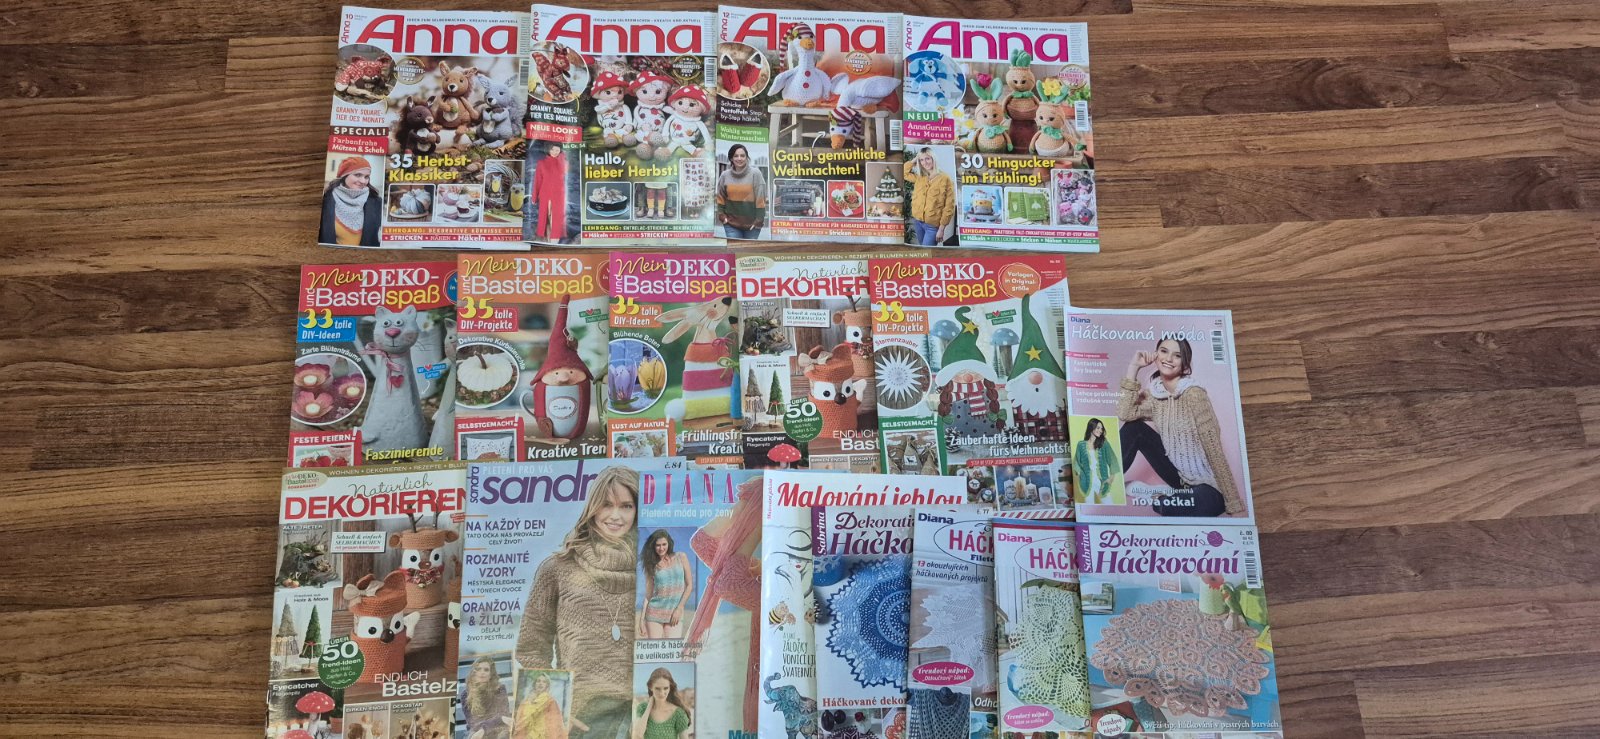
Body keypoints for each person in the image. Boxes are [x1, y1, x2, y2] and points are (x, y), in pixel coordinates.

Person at [516, 465, 641, 739]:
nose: (616, 515)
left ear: (638, 509)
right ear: (592, 508)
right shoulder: (557, 568)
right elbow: (531, 648)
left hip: (641, 710)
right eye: (606, 504)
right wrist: (555, 705)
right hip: (583, 714)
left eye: (626, 506)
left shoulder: (651, 568)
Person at [1117, 338, 1242, 517]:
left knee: (1170, 506)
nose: (1168, 358)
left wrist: (1233, 503)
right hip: (1177, 476)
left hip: (1206, 485)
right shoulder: (1155, 395)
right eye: (1164, 351)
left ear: (1185, 363)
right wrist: (1133, 368)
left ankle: (1162, 496)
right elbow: (1125, 413)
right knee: (1134, 428)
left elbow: (1214, 449)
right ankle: (1106, 482)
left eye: (1177, 355)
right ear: (1156, 355)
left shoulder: (1194, 395)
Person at [640, 530, 694, 639]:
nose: (661, 548)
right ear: (653, 546)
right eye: (658, 545)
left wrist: (679, 608)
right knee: (656, 648)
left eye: (664, 544)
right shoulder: (651, 566)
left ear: (669, 544)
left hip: (675, 614)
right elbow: (648, 595)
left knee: (673, 647)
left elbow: (689, 585)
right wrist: (641, 620)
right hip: (654, 614)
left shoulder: (681, 557)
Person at [318, 156, 382, 246]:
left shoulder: (376, 202)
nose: (363, 181)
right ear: (344, 175)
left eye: (366, 177)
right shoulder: (326, 200)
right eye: (358, 175)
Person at [906, 147, 954, 246]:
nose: (925, 163)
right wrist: (914, 160)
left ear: (933, 159)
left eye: (927, 158)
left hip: (932, 226)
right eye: (921, 160)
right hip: (918, 222)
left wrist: (941, 229)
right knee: (922, 250)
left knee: (927, 251)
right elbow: (903, 173)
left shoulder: (945, 179)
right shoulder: (920, 177)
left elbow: (949, 206)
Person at [717, 144, 767, 239]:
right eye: (736, 156)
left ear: (747, 157)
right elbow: (720, 197)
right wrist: (722, 216)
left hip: (752, 226)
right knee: (734, 248)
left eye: (742, 156)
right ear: (731, 158)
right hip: (731, 224)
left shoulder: (755, 173)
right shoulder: (725, 175)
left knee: (749, 249)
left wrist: (759, 220)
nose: (739, 158)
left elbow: (761, 198)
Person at [631, 668, 692, 739]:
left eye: (666, 688)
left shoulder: (678, 714)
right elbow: (637, 735)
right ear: (651, 687)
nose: (662, 693)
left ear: (670, 688)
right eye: (657, 688)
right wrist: (650, 705)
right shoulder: (642, 708)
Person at [461, 656, 513, 739]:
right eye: (478, 669)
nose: (482, 672)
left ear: (491, 674)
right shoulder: (465, 694)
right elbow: (473, 723)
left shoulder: (500, 689)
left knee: (504, 735)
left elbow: (503, 714)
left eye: (486, 670)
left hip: (498, 727)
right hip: (477, 728)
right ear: (474, 672)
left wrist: (484, 729)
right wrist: (484, 728)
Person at [514, 672, 570, 739]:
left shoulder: (550, 701)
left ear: (547, 685)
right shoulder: (526, 701)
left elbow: (555, 723)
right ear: (534, 684)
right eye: (538, 681)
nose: (540, 683)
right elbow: (520, 720)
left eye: (544, 682)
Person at [1072, 418, 1115, 504]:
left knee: (1109, 504)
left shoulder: (1104, 443)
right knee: (1089, 506)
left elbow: (1113, 460)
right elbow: (1076, 462)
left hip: (1102, 481)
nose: (1100, 430)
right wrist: (1080, 475)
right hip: (1087, 482)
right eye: (1098, 428)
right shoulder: (1081, 445)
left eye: (1101, 428)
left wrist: (1111, 478)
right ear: (1091, 427)